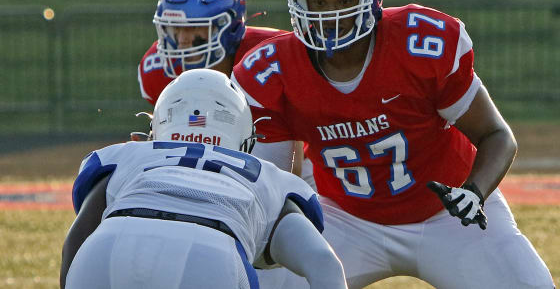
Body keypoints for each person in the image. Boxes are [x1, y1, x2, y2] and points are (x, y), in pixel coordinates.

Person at [231, 0, 555, 288]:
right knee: (257, 281)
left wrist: (474, 193)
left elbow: (497, 135)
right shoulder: (272, 72)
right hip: (342, 219)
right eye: (318, 1)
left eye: (343, 0)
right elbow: (270, 185)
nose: (329, 15)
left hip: (447, 213)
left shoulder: (420, 44)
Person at [60, 69, 347, 289]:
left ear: (157, 127)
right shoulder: (266, 177)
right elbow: (324, 263)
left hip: (107, 248)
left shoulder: (129, 155)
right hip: (212, 255)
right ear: (246, 139)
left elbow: (77, 237)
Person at [138, 0, 287, 106]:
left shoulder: (271, 56)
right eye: (175, 28)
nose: (182, 40)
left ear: (228, 26)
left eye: (193, 28)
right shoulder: (157, 70)